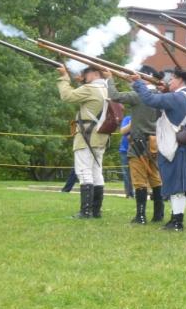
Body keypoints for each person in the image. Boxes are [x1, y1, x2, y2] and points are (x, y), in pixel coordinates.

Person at [131, 68, 186, 232]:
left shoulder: (178, 97)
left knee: (177, 187)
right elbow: (168, 108)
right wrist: (164, 91)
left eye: (172, 79)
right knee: (177, 187)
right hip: (182, 146)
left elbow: (149, 99)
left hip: (176, 147)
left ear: (180, 80)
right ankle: (175, 219)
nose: (169, 82)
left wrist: (138, 83)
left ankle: (177, 222)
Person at [105, 66, 164, 224]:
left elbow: (114, 96)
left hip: (139, 143)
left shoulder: (138, 95)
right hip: (155, 143)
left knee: (139, 181)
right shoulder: (161, 95)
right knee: (155, 178)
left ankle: (141, 216)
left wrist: (109, 78)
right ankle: (158, 214)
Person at [56, 65, 110, 219]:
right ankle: (95, 211)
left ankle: (85, 212)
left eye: (86, 73)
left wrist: (64, 77)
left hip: (87, 135)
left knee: (84, 171)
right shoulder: (106, 89)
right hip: (100, 136)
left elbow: (67, 96)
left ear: (95, 73)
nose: (84, 76)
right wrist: (82, 82)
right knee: (96, 172)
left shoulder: (90, 89)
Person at [118, 115, 135, 198]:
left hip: (137, 150)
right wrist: (131, 124)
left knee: (136, 173)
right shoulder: (128, 118)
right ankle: (129, 194)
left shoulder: (144, 117)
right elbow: (122, 131)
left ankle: (138, 192)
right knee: (126, 173)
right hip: (124, 150)